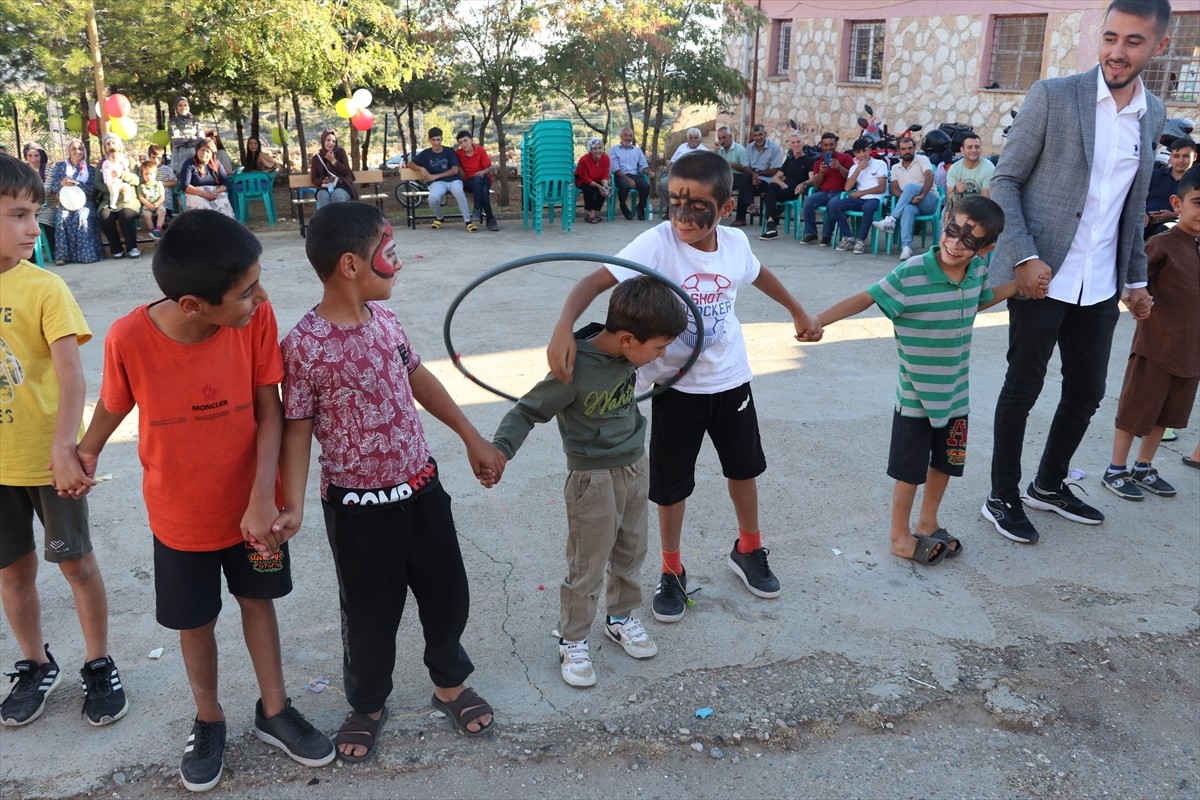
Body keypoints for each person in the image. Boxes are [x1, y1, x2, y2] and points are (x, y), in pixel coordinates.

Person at [71, 210, 334, 791]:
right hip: (179, 515)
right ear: (192, 304)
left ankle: (275, 710)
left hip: (255, 512)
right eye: (245, 291)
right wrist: (85, 451)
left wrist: (263, 498)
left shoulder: (255, 319)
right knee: (196, 622)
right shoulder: (128, 337)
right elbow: (117, 402)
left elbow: (271, 408)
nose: (261, 297)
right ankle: (209, 718)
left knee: (258, 602)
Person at [546, 151, 823, 623]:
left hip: (731, 378)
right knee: (671, 485)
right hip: (674, 387)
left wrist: (798, 310)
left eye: (697, 205)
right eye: (674, 201)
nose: (683, 215)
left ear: (726, 207)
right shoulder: (656, 245)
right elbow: (593, 280)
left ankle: (749, 548)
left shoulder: (735, 244)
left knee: (743, 468)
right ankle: (671, 568)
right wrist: (562, 327)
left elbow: (760, 275)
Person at [274, 202, 502, 760]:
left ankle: (449, 679)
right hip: (357, 509)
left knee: (448, 595)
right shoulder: (303, 345)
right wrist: (294, 503)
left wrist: (471, 437)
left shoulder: (388, 323)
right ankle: (368, 702)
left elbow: (418, 378)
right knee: (370, 614)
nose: (396, 265)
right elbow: (297, 428)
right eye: (389, 255)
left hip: (422, 491)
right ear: (352, 265)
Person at [982, 0, 1169, 545]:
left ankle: (1049, 483)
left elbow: (1131, 209)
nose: (1117, 51)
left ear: (1157, 47)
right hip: (1041, 275)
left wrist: (1135, 280)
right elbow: (1006, 181)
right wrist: (1024, 256)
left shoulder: (1151, 113)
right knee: (1023, 386)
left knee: (1087, 390)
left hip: (1102, 281)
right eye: (1110, 37)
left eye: (1133, 41)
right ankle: (1002, 494)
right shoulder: (1054, 96)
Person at [494, 277, 686, 687]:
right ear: (629, 338)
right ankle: (573, 638)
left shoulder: (630, 354)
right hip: (593, 479)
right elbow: (527, 411)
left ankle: (620, 618)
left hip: (635, 466)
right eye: (658, 347)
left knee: (632, 551)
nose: (662, 355)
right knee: (588, 564)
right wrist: (500, 451)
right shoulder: (574, 368)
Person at [813, 196, 1019, 564]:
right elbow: (867, 298)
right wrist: (817, 321)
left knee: (945, 463)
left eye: (968, 241)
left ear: (985, 249)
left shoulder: (976, 273)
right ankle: (898, 536)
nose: (956, 243)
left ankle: (927, 522)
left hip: (956, 394)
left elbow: (980, 300)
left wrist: (1020, 286)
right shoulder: (912, 273)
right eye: (952, 231)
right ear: (945, 223)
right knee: (909, 471)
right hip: (917, 397)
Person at [0, 154, 128, 729]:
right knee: (11, 572)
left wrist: (63, 446)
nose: (34, 227)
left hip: (49, 461)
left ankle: (98, 663)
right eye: (19, 215)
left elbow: (74, 375)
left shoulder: (44, 288)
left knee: (75, 564)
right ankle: (34, 664)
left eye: (35, 214)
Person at [1102, 165, 1199, 501]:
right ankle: (1115, 468)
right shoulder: (1163, 243)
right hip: (1156, 346)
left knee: (1165, 414)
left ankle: (1144, 465)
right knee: (1136, 409)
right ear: (1178, 203)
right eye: (1197, 202)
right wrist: (1135, 303)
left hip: (1190, 353)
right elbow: (1134, 279)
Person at [872, 137, 937, 260]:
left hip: (929, 200)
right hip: (912, 203)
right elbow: (894, 189)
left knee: (911, 186)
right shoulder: (896, 167)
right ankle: (906, 247)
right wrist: (908, 198)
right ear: (898, 151)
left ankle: (892, 219)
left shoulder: (922, 159)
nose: (907, 151)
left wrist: (921, 195)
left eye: (910, 148)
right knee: (907, 209)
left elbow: (929, 177)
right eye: (903, 149)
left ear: (914, 148)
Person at [826, 138, 889, 254]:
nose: (862, 155)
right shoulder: (854, 167)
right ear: (855, 154)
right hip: (859, 199)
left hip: (876, 198)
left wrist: (860, 193)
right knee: (834, 205)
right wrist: (859, 169)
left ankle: (861, 240)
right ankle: (848, 237)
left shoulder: (880, 164)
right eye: (858, 152)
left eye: (864, 151)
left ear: (869, 150)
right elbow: (847, 188)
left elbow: (881, 188)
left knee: (868, 208)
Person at [47, 139, 104, 266]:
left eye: (80, 149)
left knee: (82, 217)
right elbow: (53, 187)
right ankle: (62, 256)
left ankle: (86, 255)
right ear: (68, 151)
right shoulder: (60, 167)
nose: (77, 151)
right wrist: (62, 183)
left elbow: (92, 189)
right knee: (62, 218)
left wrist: (76, 183)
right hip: (64, 203)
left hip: (84, 203)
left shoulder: (89, 169)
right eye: (74, 149)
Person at [410, 128, 473, 231]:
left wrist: (435, 176)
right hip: (437, 183)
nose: (436, 143)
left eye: (438, 139)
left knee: (459, 192)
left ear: (442, 139)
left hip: (453, 180)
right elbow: (410, 164)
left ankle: (468, 221)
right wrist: (421, 168)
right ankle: (439, 218)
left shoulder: (449, 151)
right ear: (429, 140)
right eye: (433, 140)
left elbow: (455, 170)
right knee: (432, 198)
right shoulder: (425, 153)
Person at [799, 132, 854, 245]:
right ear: (822, 146)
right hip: (824, 192)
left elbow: (852, 177)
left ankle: (826, 235)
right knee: (808, 201)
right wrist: (821, 173)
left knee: (832, 204)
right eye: (826, 145)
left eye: (831, 144)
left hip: (841, 192)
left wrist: (839, 167)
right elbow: (816, 184)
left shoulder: (845, 158)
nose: (828, 148)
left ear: (836, 144)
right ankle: (811, 234)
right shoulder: (819, 162)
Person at [759, 132, 813, 240]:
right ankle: (771, 223)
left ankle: (771, 225)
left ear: (803, 143)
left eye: (798, 142)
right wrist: (782, 184)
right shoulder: (789, 160)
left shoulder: (809, 161)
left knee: (770, 193)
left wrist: (803, 184)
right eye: (793, 142)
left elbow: (812, 179)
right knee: (771, 187)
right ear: (790, 145)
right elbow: (776, 177)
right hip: (785, 189)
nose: (796, 145)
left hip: (796, 191)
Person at [96, 135, 141, 259]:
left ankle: (132, 247)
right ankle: (116, 249)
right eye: (108, 144)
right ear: (105, 147)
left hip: (128, 198)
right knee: (105, 217)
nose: (111, 146)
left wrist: (122, 175)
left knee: (126, 215)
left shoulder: (129, 161)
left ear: (120, 145)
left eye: (113, 143)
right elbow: (98, 183)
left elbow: (136, 180)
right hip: (109, 198)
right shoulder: (102, 164)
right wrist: (112, 189)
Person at [1144, 136, 1196, 238]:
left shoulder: (1195, 180)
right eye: (1176, 156)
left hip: (1176, 222)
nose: (1180, 160)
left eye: (1186, 156)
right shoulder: (1156, 175)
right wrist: (1143, 213)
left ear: (1194, 157)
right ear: (1171, 157)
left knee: (1164, 231)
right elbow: (1140, 199)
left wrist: (1173, 214)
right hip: (1147, 220)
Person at [732, 124, 784, 227]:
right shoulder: (750, 147)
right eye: (755, 135)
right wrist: (753, 174)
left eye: (760, 134)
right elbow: (746, 166)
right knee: (746, 179)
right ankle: (751, 205)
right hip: (751, 179)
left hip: (767, 181)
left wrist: (757, 174)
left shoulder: (774, 148)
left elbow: (774, 170)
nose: (758, 138)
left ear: (765, 134)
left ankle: (742, 216)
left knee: (745, 183)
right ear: (752, 137)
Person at [943, 133, 996, 222]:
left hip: (979, 207)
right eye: (970, 147)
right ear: (962, 150)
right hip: (959, 205)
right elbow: (949, 198)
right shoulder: (954, 168)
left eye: (977, 147)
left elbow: (986, 199)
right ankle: (944, 236)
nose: (974, 150)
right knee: (945, 212)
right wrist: (957, 190)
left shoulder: (989, 168)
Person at [454, 130, 499, 231]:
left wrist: (482, 171)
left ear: (471, 140)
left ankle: (477, 209)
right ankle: (491, 219)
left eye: (465, 141)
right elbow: (455, 165)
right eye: (460, 142)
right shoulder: (458, 153)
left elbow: (488, 168)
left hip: (484, 179)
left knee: (478, 179)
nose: (463, 144)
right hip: (469, 182)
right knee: (483, 190)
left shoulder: (480, 151)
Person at [180, 140, 235, 218]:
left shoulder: (217, 164)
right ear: (197, 150)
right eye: (202, 150)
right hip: (196, 194)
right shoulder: (189, 164)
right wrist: (204, 195)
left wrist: (215, 192)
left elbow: (226, 184)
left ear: (212, 154)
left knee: (222, 202)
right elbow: (185, 186)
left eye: (208, 151)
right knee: (201, 205)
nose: (204, 153)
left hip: (214, 193)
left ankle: (223, 228)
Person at [309, 129, 359, 210]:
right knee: (323, 197)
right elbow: (314, 179)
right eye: (328, 140)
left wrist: (334, 161)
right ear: (323, 140)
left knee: (337, 196)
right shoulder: (316, 158)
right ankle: (327, 222)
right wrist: (322, 181)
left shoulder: (340, 152)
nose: (331, 143)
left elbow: (346, 172)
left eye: (334, 141)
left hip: (343, 185)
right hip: (325, 187)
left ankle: (341, 222)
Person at [609, 128, 652, 221]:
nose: (628, 138)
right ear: (621, 136)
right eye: (625, 135)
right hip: (620, 175)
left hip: (634, 175)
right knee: (624, 186)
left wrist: (649, 171)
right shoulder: (614, 150)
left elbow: (643, 166)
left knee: (645, 186)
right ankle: (623, 205)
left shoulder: (637, 151)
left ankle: (640, 207)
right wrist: (628, 179)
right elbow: (615, 169)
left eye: (630, 136)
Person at [23, 143, 54, 255]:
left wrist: (30, 193)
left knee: (46, 224)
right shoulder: (22, 170)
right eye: (30, 155)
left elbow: (47, 189)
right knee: (23, 226)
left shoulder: (49, 170)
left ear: (41, 156)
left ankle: (52, 252)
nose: (33, 158)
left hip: (46, 206)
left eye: (36, 155)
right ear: (26, 156)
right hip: (26, 206)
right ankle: (30, 255)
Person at [575, 137, 612, 224]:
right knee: (589, 190)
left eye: (600, 148)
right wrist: (598, 186)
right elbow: (585, 178)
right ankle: (591, 214)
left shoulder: (606, 158)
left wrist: (605, 185)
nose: (598, 151)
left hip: (597, 179)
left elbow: (604, 175)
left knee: (605, 189)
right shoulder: (584, 160)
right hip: (582, 179)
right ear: (590, 150)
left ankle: (593, 211)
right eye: (595, 148)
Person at [168, 96, 205, 173]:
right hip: (178, 156)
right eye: (180, 105)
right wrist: (192, 137)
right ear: (176, 107)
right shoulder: (172, 122)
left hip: (194, 154)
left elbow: (201, 138)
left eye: (185, 105)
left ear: (189, 107)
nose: (183, 107)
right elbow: (175, 141)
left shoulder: (195, 121)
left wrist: (183, 138)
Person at [137, 159, 167, 240]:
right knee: (146, 214)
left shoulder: (158, 184)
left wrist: (157, 203)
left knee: (162, 211)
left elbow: (162, 196)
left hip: (158, 203)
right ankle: (152, 230)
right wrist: (148, 205)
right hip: (147, 204)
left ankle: (157, 229)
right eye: (146, 174)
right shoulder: (141, 185)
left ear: (155, 174)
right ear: (142, 174)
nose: (148, 176)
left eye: (151, 174)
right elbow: (141, 197)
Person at [147, 144, 179, 219]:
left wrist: (161, 184)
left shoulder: (167, 169)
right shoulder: (146, 169)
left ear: (162, 157)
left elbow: (175, 182)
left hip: (165, 201)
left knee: (166, 221)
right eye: (153, 157)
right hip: (151, 200)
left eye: (159, 158)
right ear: (149, 157)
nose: (156, 160)